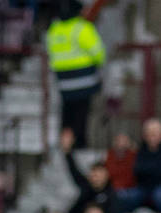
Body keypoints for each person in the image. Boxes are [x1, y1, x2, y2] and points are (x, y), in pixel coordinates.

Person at [46, 0, 105, 149]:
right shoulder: (82, 27)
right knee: (82, 114)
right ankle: (79, 144)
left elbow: (50, 51)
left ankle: (66, 144)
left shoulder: (54, 29)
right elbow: (98, 52)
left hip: (63, 81)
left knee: (67, 113)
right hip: (84, 79)